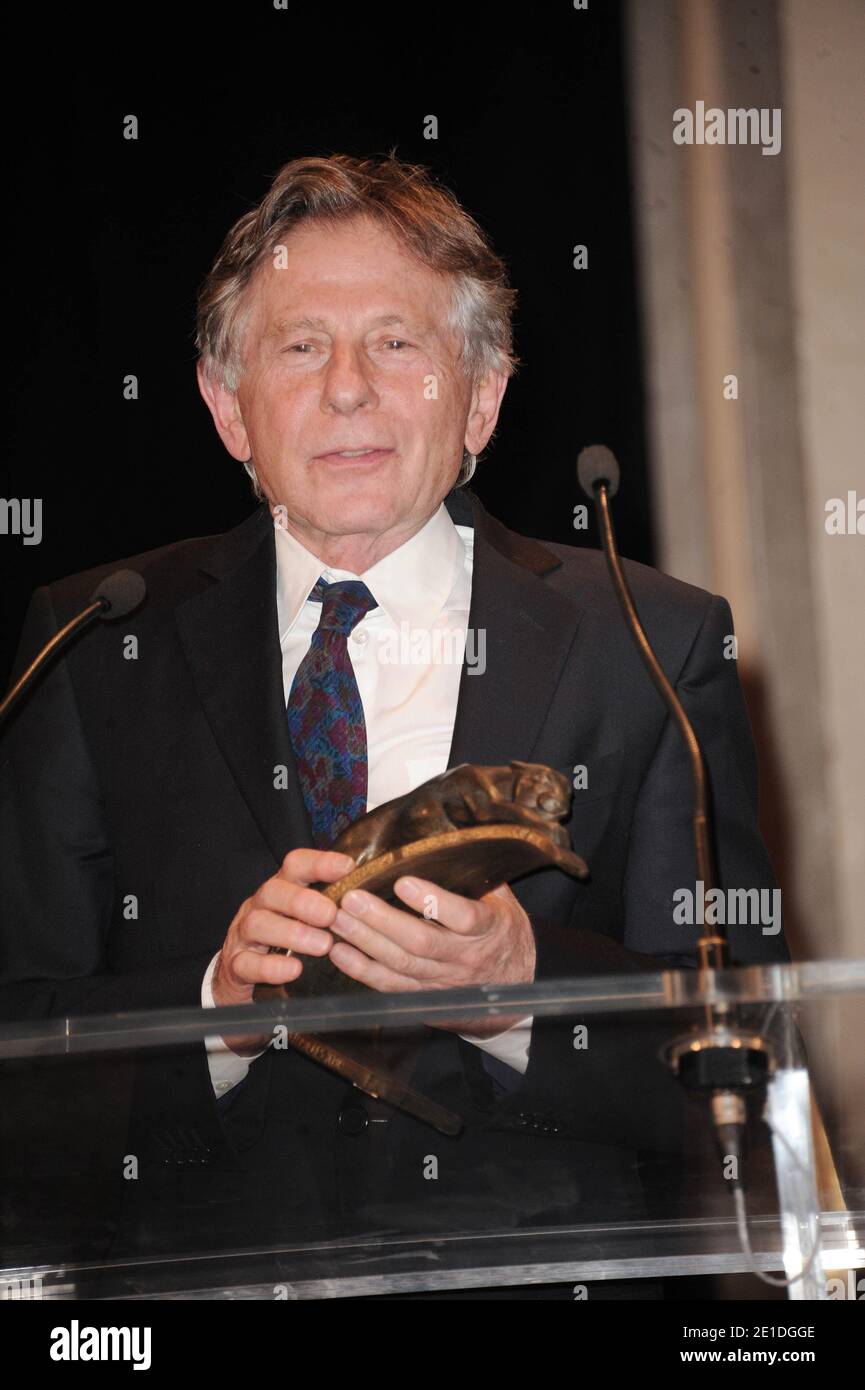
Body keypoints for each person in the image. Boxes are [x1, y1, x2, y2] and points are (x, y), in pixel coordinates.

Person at [0, 154, 788, 1295]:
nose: (350, 388)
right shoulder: (91, 641)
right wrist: (214, 1009)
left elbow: (741, 1049)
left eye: (398, 342)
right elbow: (19, 1040)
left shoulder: (647, 641)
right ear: (229, 408)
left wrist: (521, 988)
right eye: (301, 345)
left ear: (481, 399)